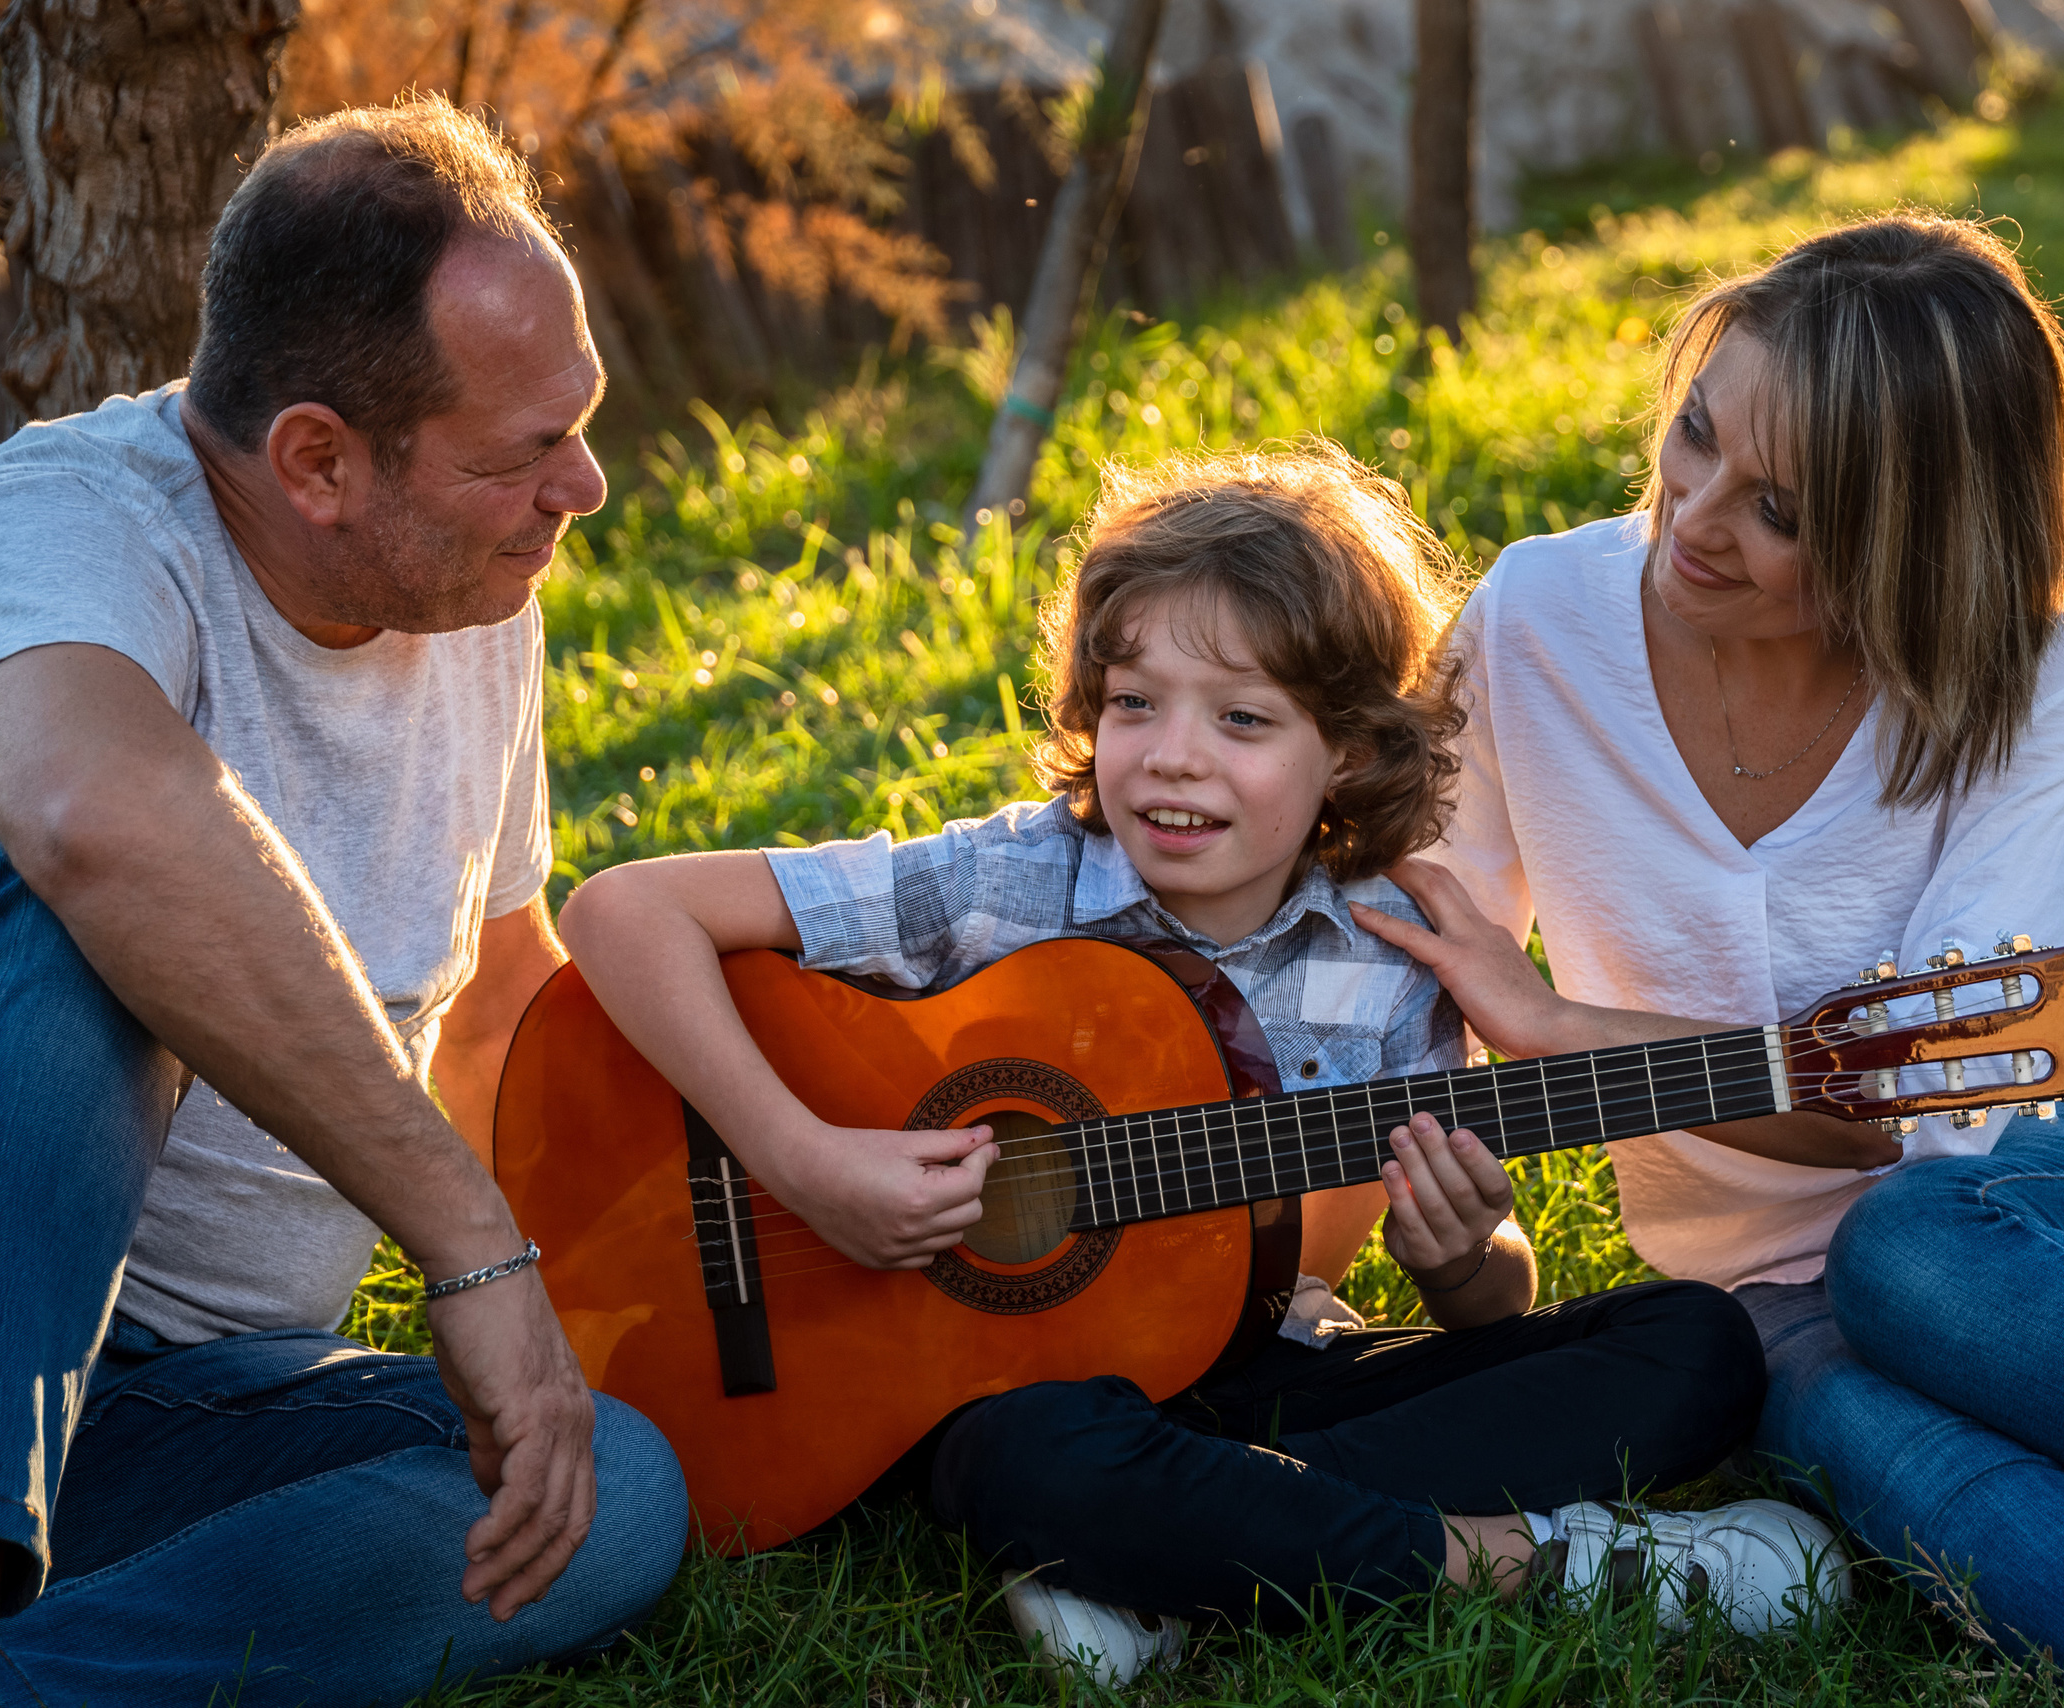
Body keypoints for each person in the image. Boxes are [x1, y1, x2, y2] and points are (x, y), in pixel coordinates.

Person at [556, 442, 1843, 1686]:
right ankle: (1529, 1563)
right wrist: (805, 1157)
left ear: (1342, 747)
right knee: (1024, 1449)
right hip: (1004, 1399)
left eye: (1240, 717)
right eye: (1133, 704)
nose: (1173, 754)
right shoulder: (1010, 878)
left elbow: (1489, 1304)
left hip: (1263, 1384)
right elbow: (622, 912)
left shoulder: (1390, 954)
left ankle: (1163, 1560)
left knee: (1696, 1344)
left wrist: (1460, 1261)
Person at [1360, 214, 2064, 1708]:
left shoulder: (2039, 643)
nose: (1694, 517)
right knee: (1865, 1429)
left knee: (1910, 1244)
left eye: (1785, 511)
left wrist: (1562, 1028)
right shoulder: (1537, 619)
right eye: (1697, 433)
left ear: (1918, 539)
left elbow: (1945, 1106)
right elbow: (1385, 948)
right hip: (1758, 1270)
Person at [0, 99, 686, 1708]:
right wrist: (476, 1260)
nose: (586, 484)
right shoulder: (63, 527)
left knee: (601, 1493)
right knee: (85, 918)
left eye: (578, 422)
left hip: (133, 1399)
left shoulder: (472, 587)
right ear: (319, 461)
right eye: (523, 451)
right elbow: (95, 824)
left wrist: (698, 1261)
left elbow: (494, 1004)